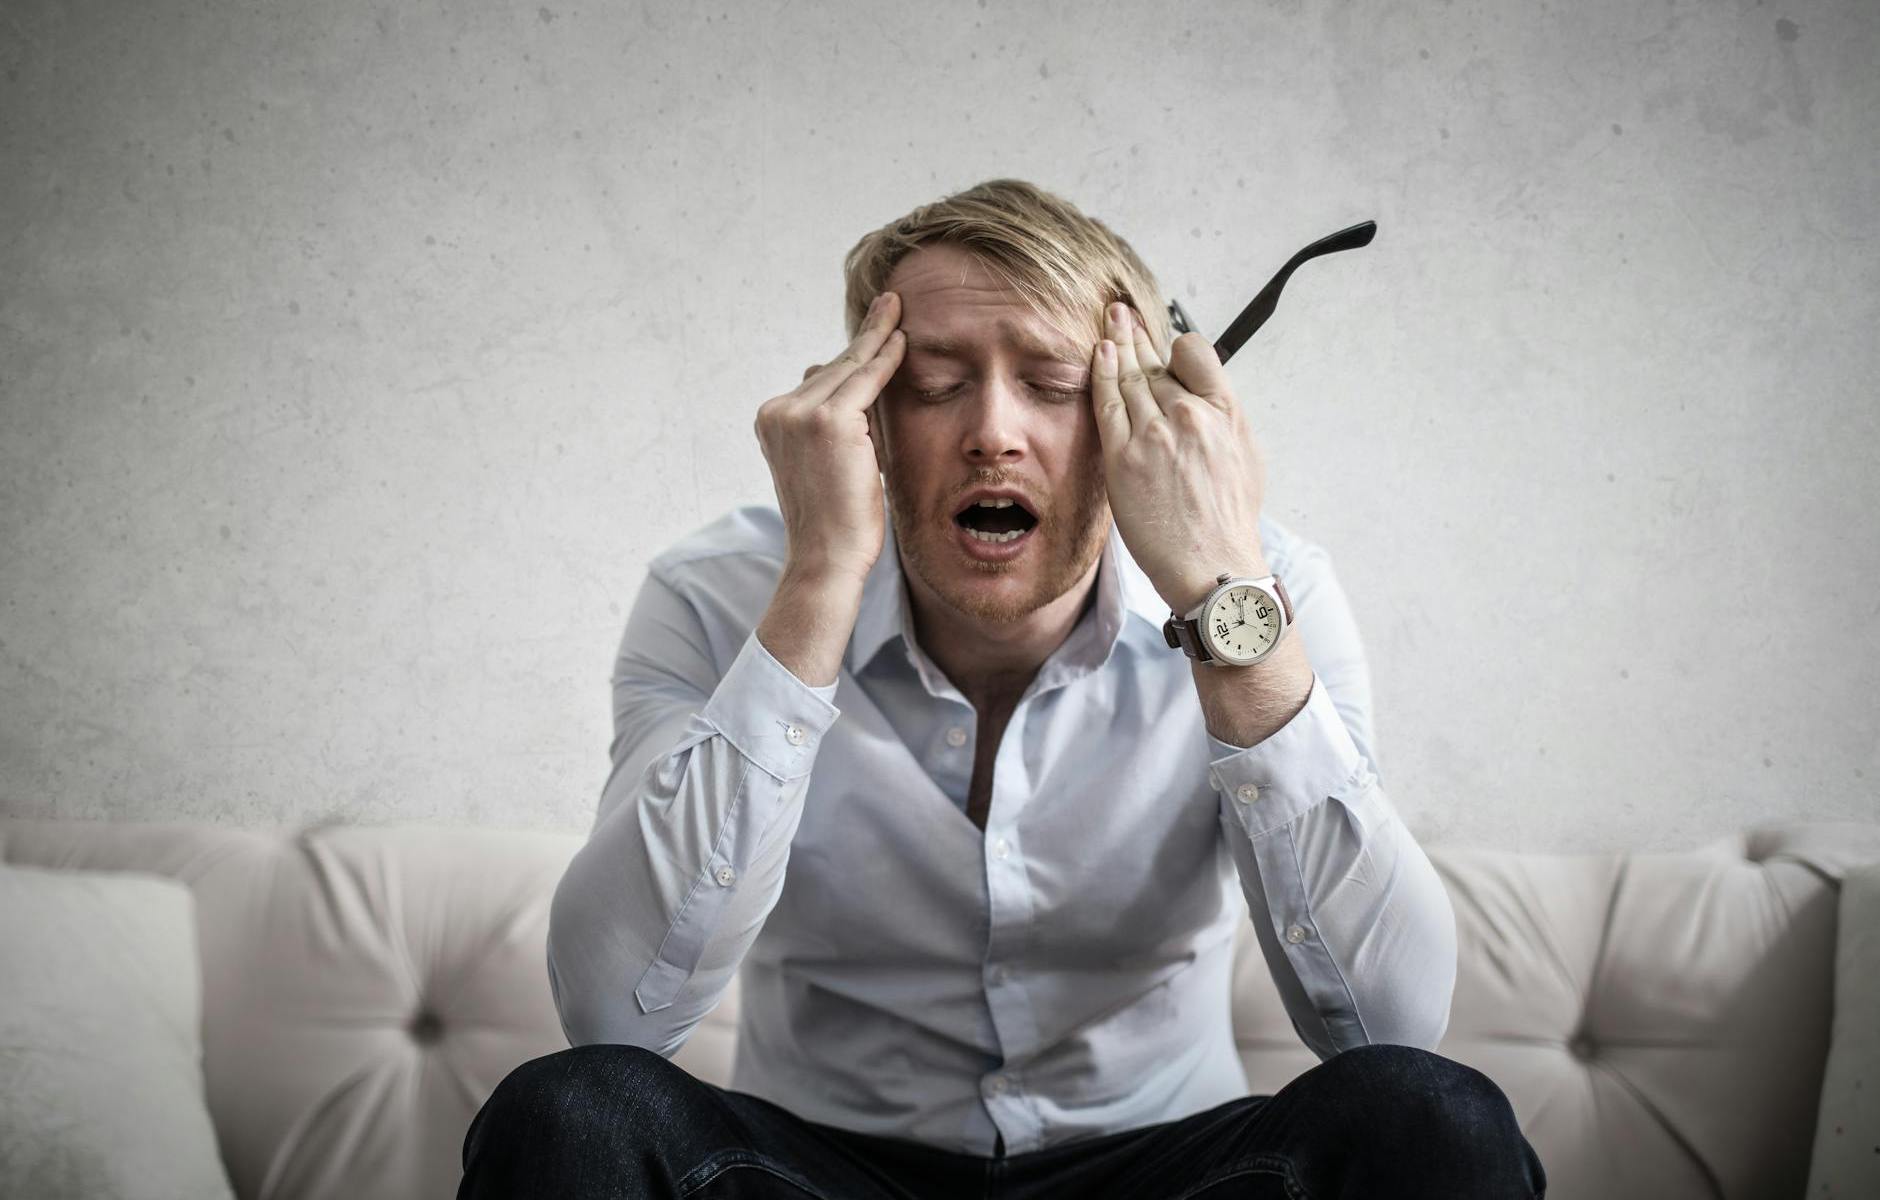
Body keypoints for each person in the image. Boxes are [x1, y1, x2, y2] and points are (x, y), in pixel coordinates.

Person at [459, 179, 1547, 1198]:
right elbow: (614, 1015)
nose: (991, 432)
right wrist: (818, 581)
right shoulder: (712, 595)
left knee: (1428, 1116)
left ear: (1141, 418)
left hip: (1164, 1170)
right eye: (933, 386)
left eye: (1056, 386)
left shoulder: (1267, 594)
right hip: (819, 1168)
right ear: (865, 419)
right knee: (572, 1114)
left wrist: (1223, 593)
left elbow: (1389, 1027)